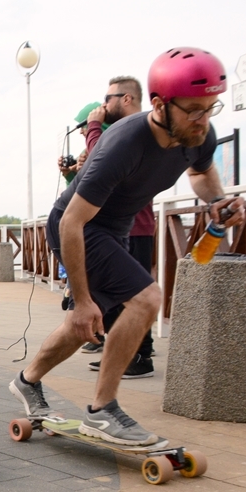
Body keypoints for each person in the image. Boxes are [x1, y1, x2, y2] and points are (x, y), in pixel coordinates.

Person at [10, 47, 245, 445]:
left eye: (210, 108)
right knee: (145, 299)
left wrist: (217, 200)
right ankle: (102, 411)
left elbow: (201, 173)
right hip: (79, 227)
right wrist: (82, 300)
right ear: (160, 104)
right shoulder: (124, 143)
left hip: (115, 229)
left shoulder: (197, 135)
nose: (203, 120)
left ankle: (27, 381)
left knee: (84, 326)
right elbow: (71, 222)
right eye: (193, 110)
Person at [77, 77, 157, 377]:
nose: (104, 104)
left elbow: (104, 158)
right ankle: (121, 353)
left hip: (135, 226)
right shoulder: (131, 130)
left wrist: (94, 127)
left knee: (136, 295)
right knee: (117, 297)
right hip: (123, 226)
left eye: (108, 98)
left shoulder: (137, 132)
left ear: (126, 98)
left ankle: (141, 356)